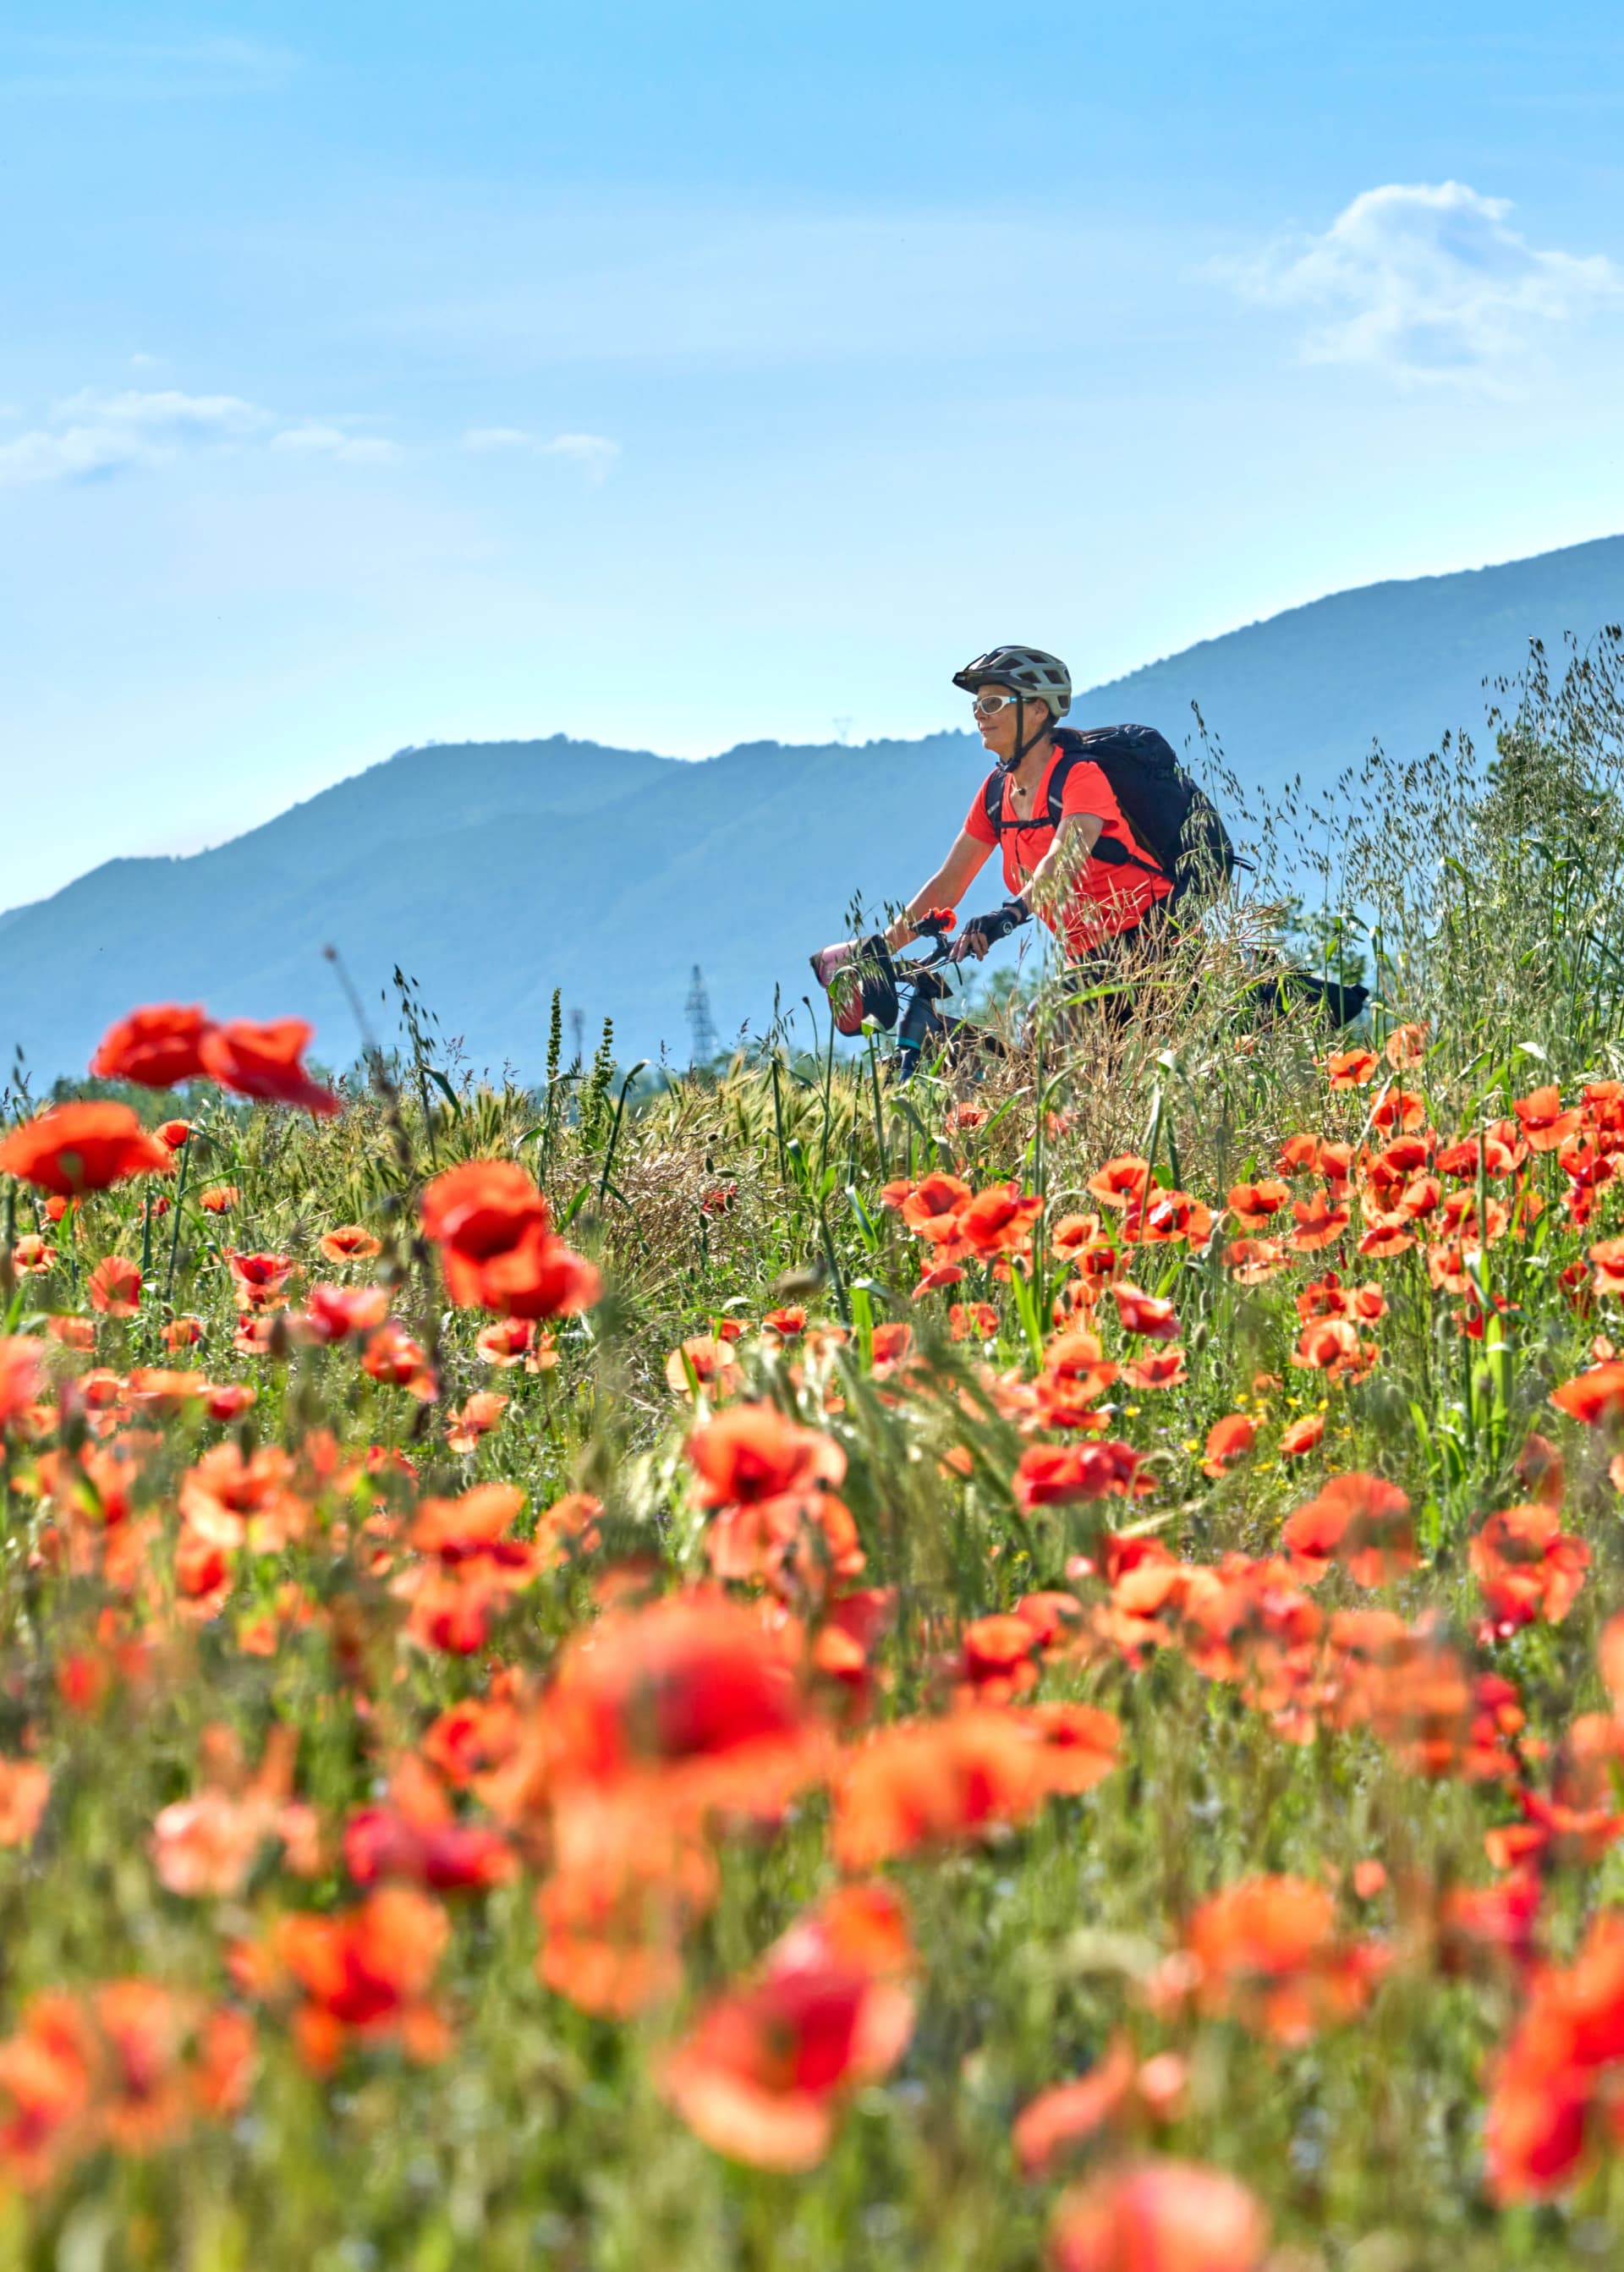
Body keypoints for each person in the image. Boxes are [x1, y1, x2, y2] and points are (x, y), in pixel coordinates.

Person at [812, 647, 1176, 1023]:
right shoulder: (995, 792)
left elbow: (1063, 860)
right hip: (1086, 959)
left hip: (1158, 943)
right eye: (977, 706)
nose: (980, 715)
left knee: (1048, 1028)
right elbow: (948, 884)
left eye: (994, 702)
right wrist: (883, 949)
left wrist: (1010, 913)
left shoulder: (1079, 776)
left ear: (1038, 709)